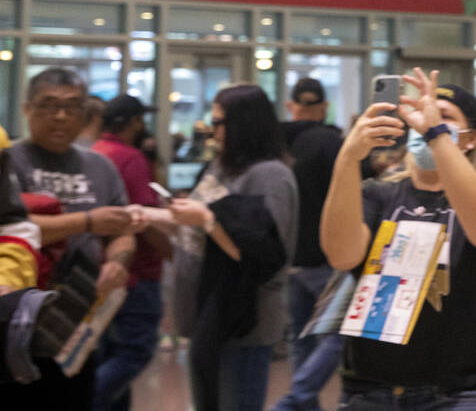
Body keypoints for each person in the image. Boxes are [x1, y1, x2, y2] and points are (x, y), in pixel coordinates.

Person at [321, 73, 476, 411]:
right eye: (421, 117)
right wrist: (348, 158)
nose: (425, 124)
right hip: (370, 390)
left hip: (458, 392)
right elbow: (341, 255)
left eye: (444, 117)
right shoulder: (377, 193)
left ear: (469, 139)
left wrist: (437, 136)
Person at [7, 68, 137, 405]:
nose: (61, 117)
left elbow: (122, 229)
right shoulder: (7, 162)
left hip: (78, 323)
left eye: (72, 107)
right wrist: (88, 221)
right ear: (27, 109)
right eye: (49, 106)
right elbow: (9, 227)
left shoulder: (101, 166)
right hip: (15, 321)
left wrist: (117, 261)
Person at [168, 84, 298, 411]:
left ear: (243, 124)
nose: (213, 132)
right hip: (211, 315)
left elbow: (264, 256)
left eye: (219, 123)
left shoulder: (270, 175)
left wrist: (207, 220)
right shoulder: (224, 168)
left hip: (244, 320)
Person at [91, 94, 170, 411]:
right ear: (134, 122)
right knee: (135, 351)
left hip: (100, 270)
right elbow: (143, 218)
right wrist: (171, 251)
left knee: (109, 351)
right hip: (135, 272)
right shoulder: (131, 158)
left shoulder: (95, 154)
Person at [272, 78, 344, 411]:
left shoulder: (277, 145)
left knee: (300, 336)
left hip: (289, 257)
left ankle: (303, 403)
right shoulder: (332, 143)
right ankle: (297, 398)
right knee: (341, 334)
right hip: (327, 255)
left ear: (291, 106)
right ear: (324, 108)